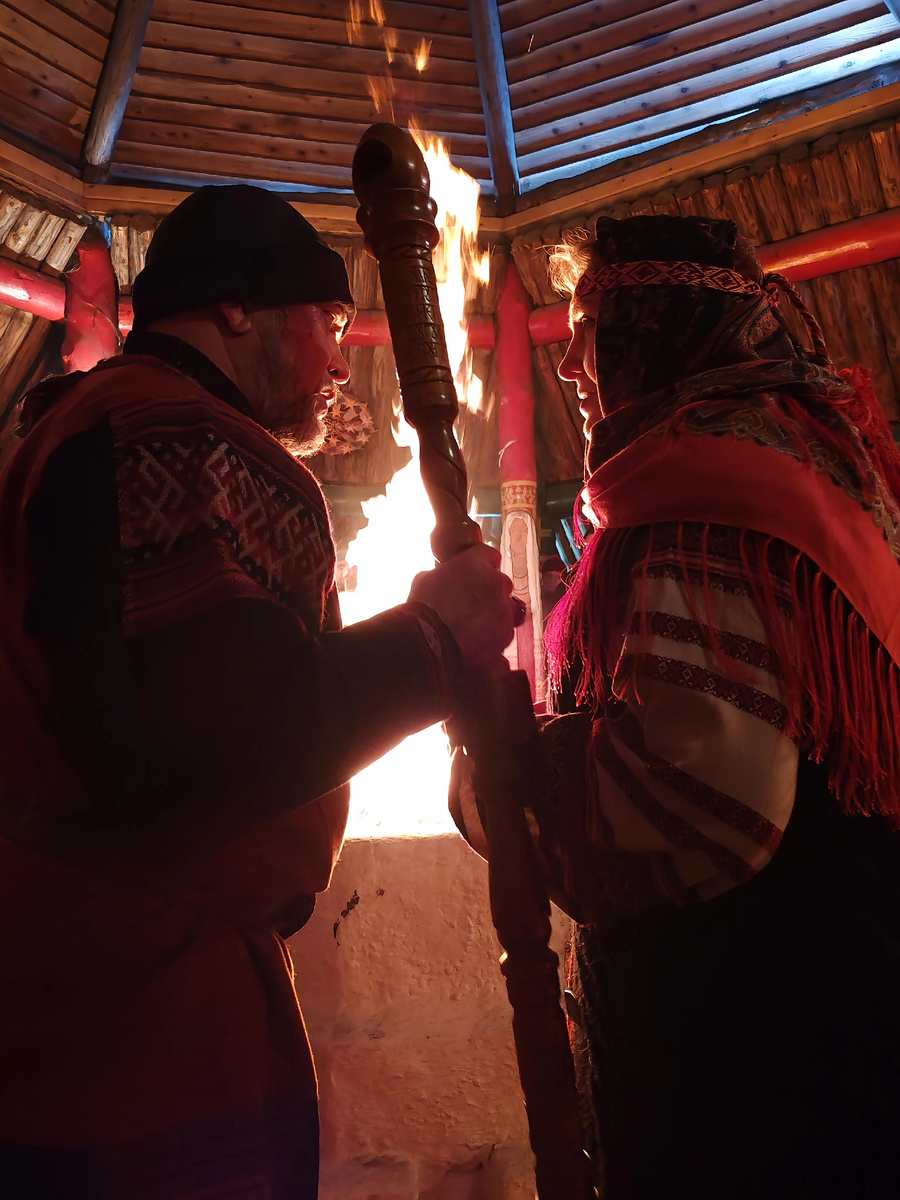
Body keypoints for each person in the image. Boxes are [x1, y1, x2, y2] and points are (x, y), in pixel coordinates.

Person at [0, 185, 518, 1199]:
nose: (339, 360)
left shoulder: (78, 425)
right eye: (327, 321)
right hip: (147, 1019)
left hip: (61, 985)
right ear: (239, 308)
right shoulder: (184, 432)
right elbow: (225, 735)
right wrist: (434, 640)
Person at [454, 215, 900, 1199]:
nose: (569, 362)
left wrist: (506, 769)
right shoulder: (809, 455)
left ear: (654, 325)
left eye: (590, 328)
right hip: (843, 976)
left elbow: (701, 803)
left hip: (756, 1043)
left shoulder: (708, 488)